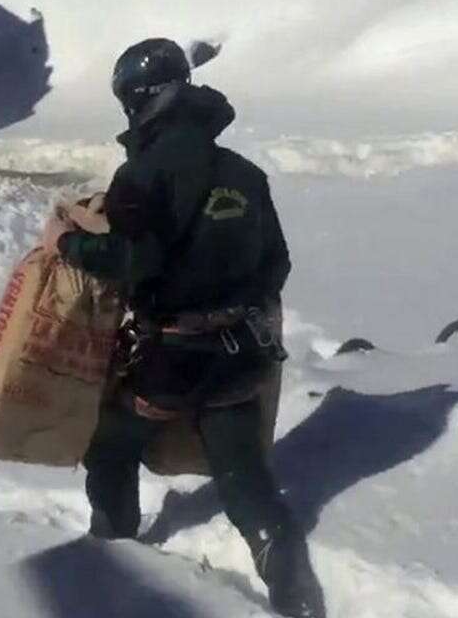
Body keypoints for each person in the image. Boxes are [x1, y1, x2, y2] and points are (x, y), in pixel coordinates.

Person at [45, 38, 327, 618]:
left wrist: (68, 244)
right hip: (242, 355)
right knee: (241, 474)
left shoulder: (141, 174)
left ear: (139, 100)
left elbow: (133, 261)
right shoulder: (245, 174)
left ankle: (115, 547)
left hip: (171, 361)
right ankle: (291, 585)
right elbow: (277, 264)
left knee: (111, 446)